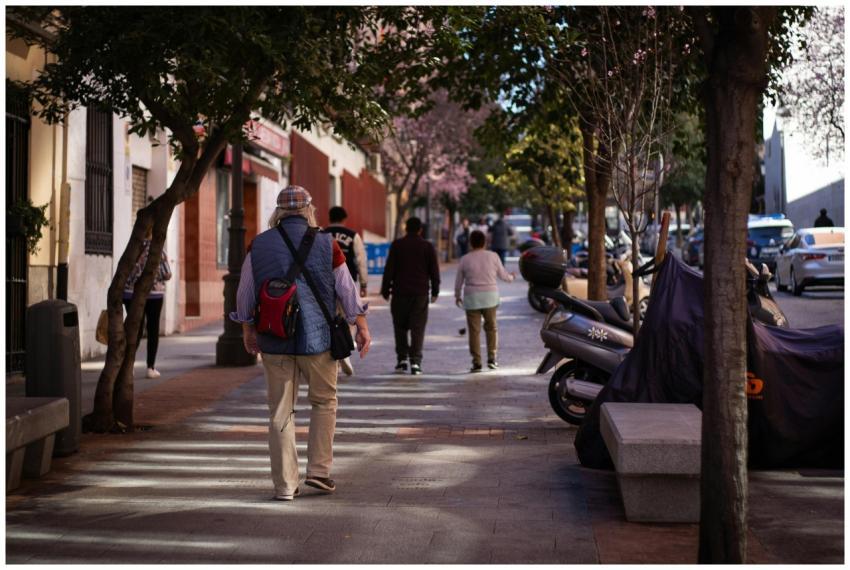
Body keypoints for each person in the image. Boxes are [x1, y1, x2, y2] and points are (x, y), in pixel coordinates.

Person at [230, 185, 371, 502]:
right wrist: (360, 325)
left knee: (280, 411)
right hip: (318, 339)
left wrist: (247, 330)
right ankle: (319, 472)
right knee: (323, 402)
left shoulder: (259, 244)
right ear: (309, 210)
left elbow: (245, 293)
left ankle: (285, 486)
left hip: (274, 336)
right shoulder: (327, 243)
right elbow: (346, 290)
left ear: (277, 212)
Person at [381, 217, 440, 375]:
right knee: (417, 328)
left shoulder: (397, 245)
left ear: (406, 228)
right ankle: (415, 362)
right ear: (420, 229)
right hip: (420, 294)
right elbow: (434, 271)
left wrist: (385, 290)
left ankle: (401, 359)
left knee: (399, 327)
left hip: (400, 293)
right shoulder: (427, 247)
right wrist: (435, 291)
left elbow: (389, 269)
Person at [454, 230, 515, 372]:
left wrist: (457, 295)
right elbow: (504, 276)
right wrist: (512, 277)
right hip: (490, 298)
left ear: (470, 243)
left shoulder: (465, 259)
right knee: (492, 328)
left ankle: (476, 362)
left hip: (472, 298)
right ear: (485, 242)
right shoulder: (493, 256)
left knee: (474, 332)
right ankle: (492, 359)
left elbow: (459, 281)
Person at [323, 206, 368, 376]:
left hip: (325, 284)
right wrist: (363, 284)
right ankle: (346, 350)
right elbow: (361, 260)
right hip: (347, 281)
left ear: (329, 217)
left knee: (330, 317)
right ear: (344, 219)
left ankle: (333, 351)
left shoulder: (322, 234)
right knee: (350, 315)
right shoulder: (352, 235)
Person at [123, 229, 172, 379]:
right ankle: (150, 367)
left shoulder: (132, 249)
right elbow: (167, 274)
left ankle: (128, 366)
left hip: (131, 295)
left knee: (134, 330)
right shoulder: (158, 251)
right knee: (153, 329)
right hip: (154, 296)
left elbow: (127, 274)